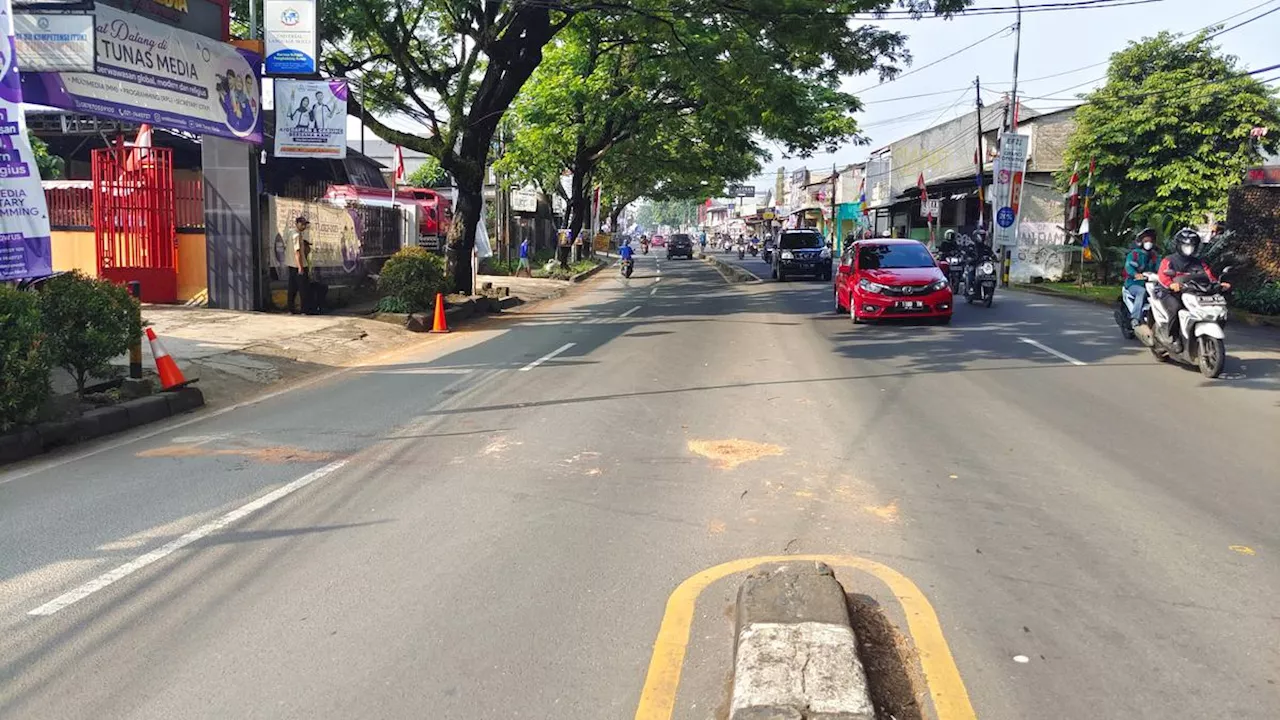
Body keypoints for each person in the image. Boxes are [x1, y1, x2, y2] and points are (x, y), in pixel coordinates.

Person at [1154, 228, 1230, 350]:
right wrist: (1171, 284)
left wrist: (1219, 284)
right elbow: (1162, 276)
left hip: (1192, 292)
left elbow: (1210, 277)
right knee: (1176, 308)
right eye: (1186, 245)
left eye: (1191, 245)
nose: (1188, 248)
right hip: (1169, 292)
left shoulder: (1200, 263)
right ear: (1179, 245)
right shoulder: (1169, 260)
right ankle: (1173, 338)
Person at [1122, 228, 1160, 326]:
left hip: (1151, 283)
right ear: (1141, 242)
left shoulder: (1155, 256)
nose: (1149, 243)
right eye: (1146, 241)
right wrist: (1135, 274)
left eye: (1151, 241)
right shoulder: (1134, 254)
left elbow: (1160, 268)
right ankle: (1135, 318)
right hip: (1133, 283)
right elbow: (1128, 266)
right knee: (1141, 292)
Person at [287, 216, 312, 314]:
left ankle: (290, 310)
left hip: (291, 265)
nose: (304, 226)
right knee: (303, 289)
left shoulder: (290, 233)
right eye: (302, 224)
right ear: (297, 224)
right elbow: (297, 252)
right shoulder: (296, 235)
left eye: (305, 224)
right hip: (299, 266)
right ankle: (304, 311)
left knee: (292, 289)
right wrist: (300, 267)